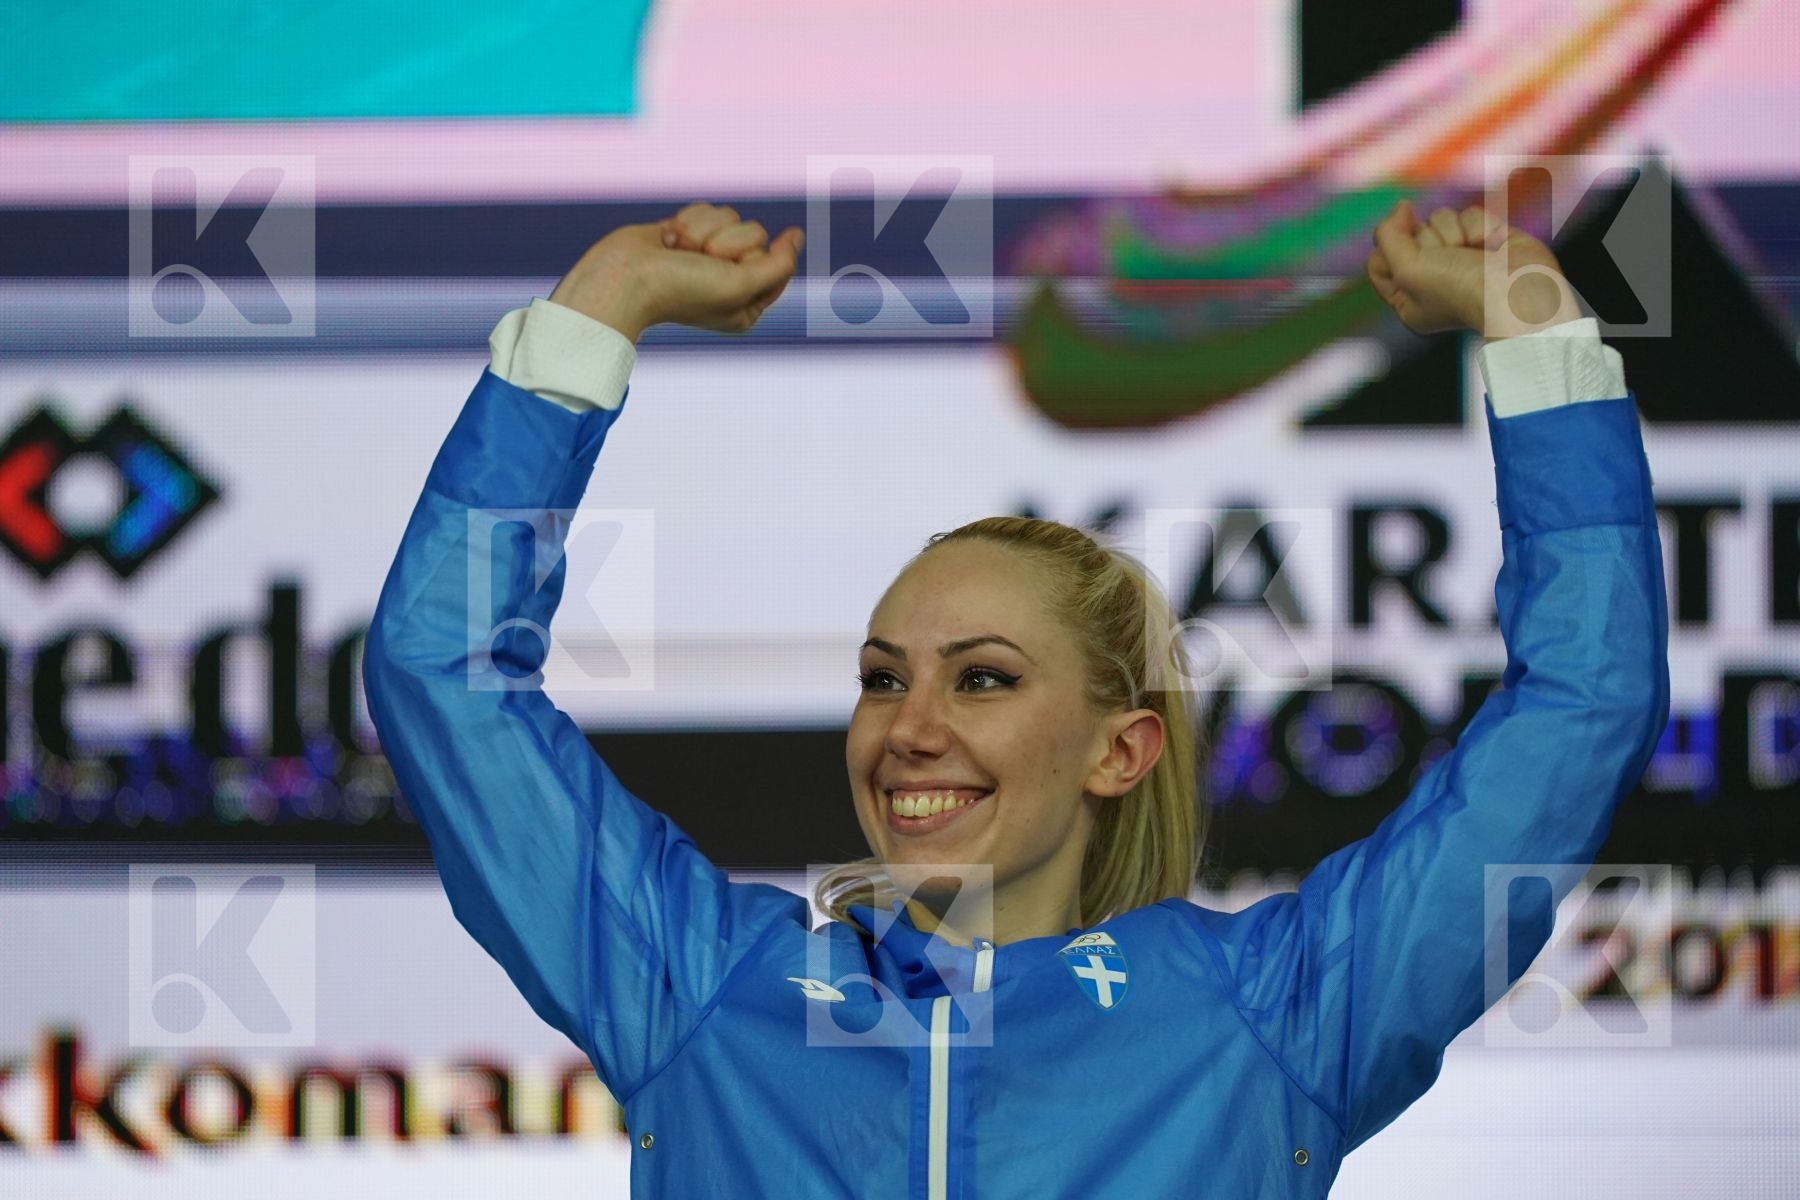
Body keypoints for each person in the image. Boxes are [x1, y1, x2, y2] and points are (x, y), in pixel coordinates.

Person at [362, 199, 1668, 1197]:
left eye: (983, 678)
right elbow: (441, 674)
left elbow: (1581, 706)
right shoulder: (707, 988)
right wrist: (594, 317)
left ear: (1121, 749)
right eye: (883, 680)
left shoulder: (1275, 1014)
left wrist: (1542, 344)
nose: (909, 729)